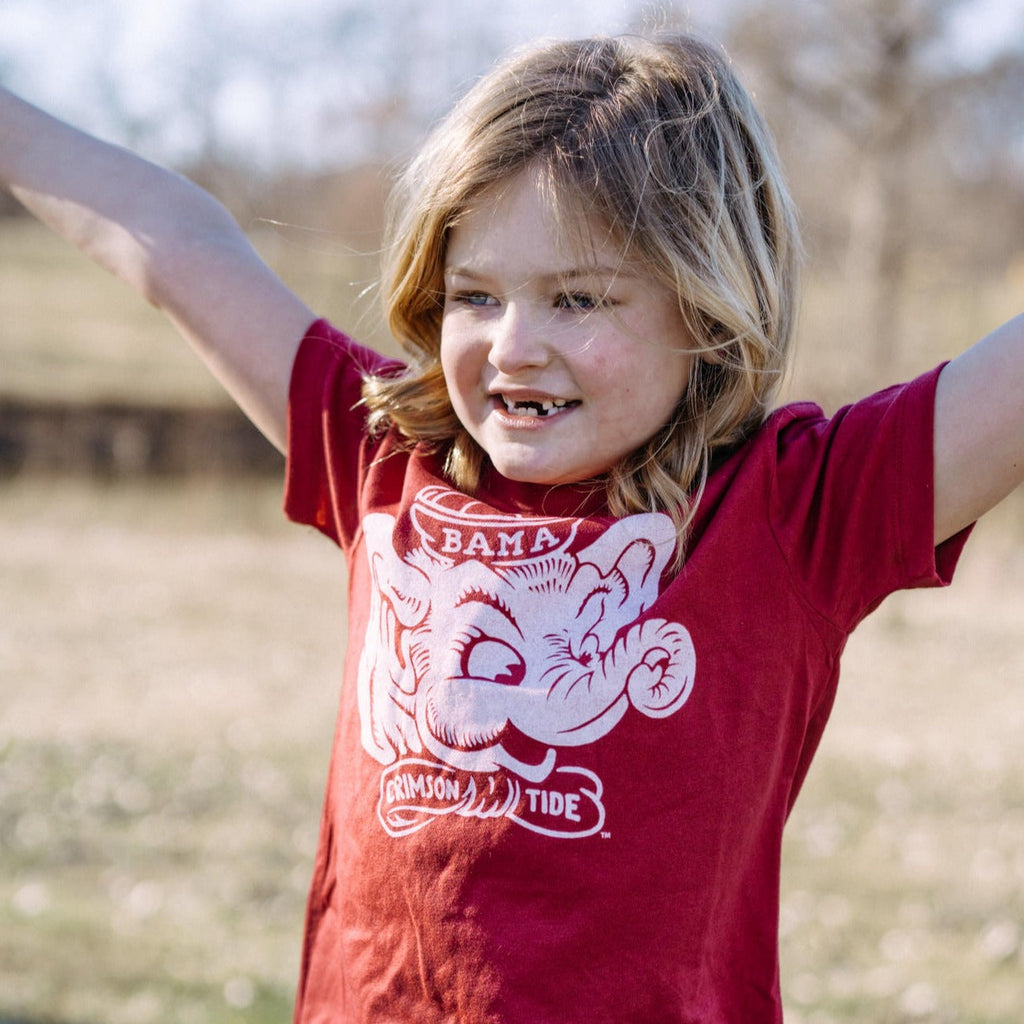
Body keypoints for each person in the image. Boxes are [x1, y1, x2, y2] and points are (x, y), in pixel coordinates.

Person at [1, 30, 1021, 1024]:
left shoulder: (797, 513)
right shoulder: (379, 454)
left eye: (577, 298)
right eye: (474, 295)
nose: (513, 345)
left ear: (704, 311)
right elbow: (177, 247)